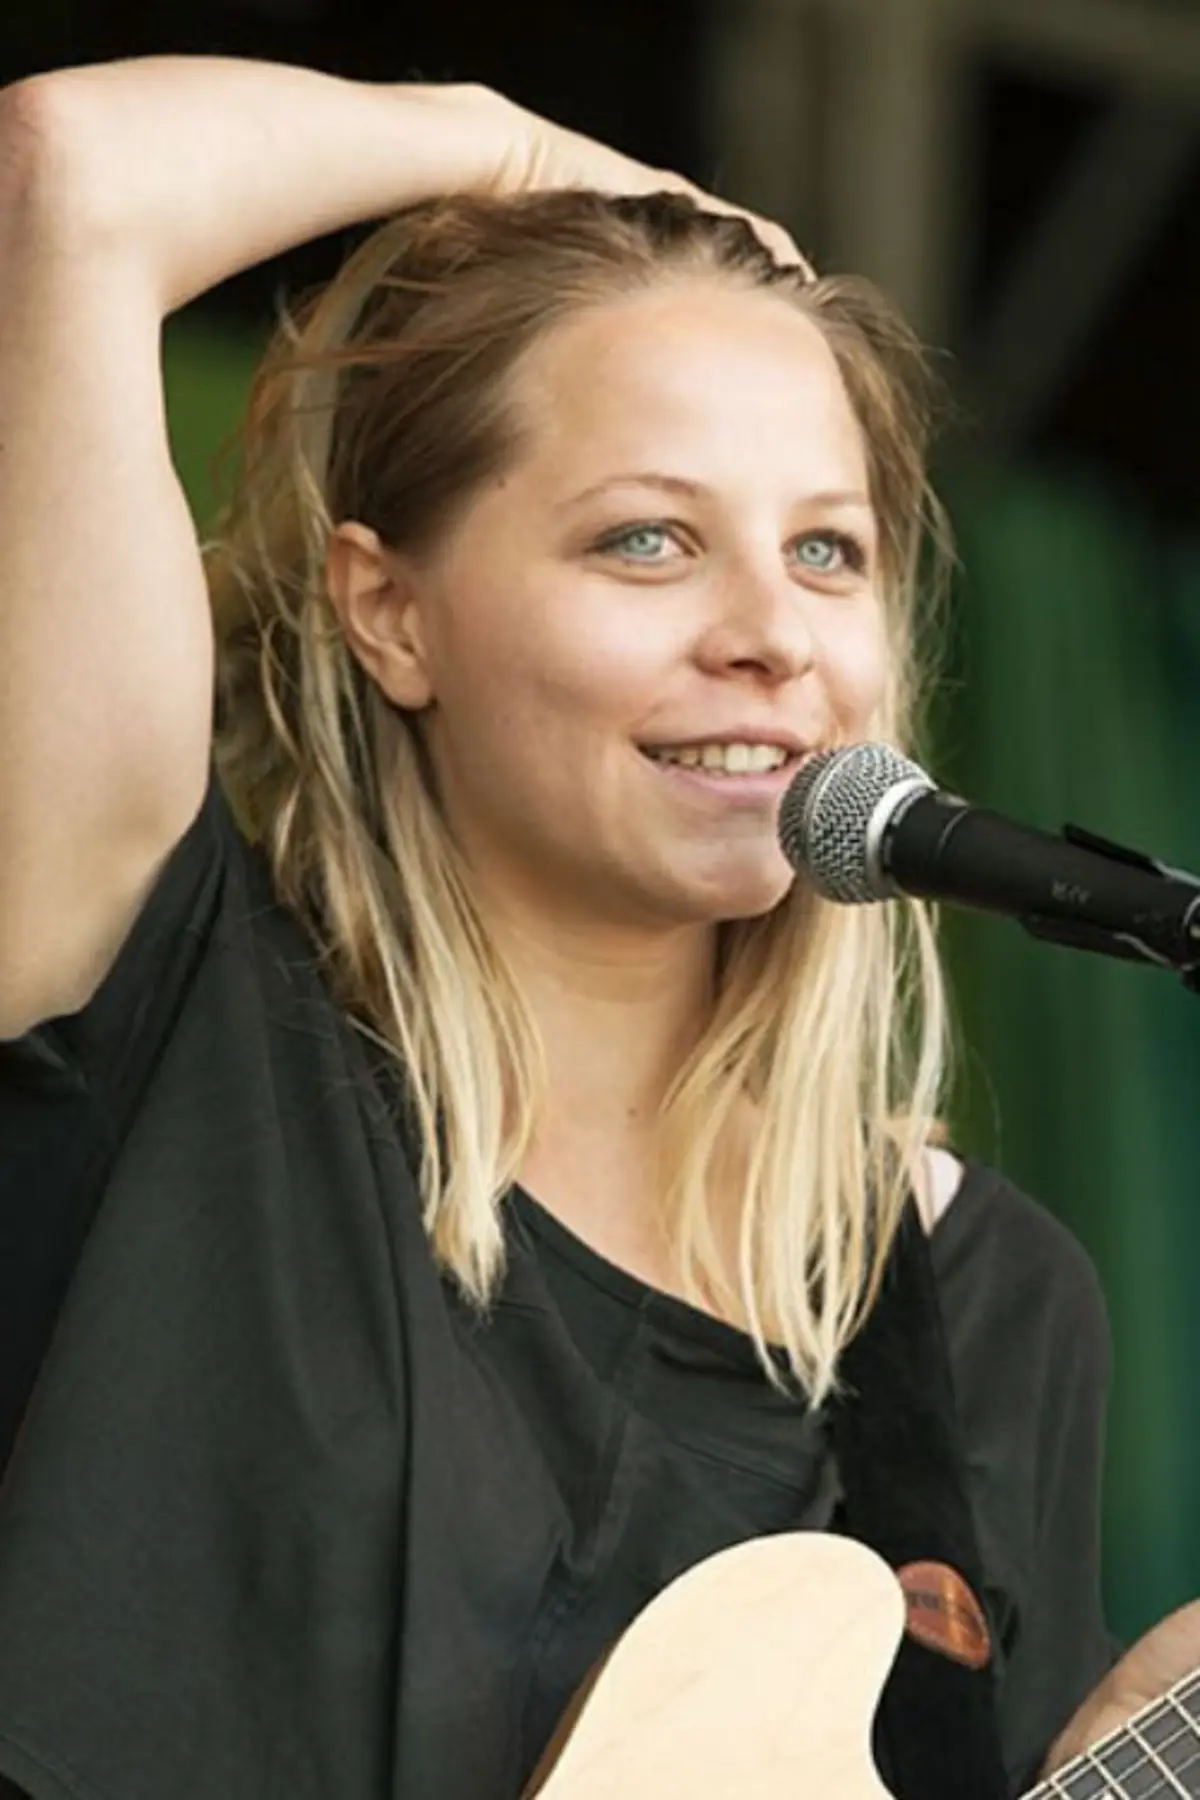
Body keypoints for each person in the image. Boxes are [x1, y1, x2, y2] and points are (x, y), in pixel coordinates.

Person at [0, 52, 1196, 1800]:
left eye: (829, 551)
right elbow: (72, 175)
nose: (770, 634)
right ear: (390, 613)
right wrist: (531, 158)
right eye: (647, 540)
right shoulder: (161, 1008)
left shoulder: (983, 1304)